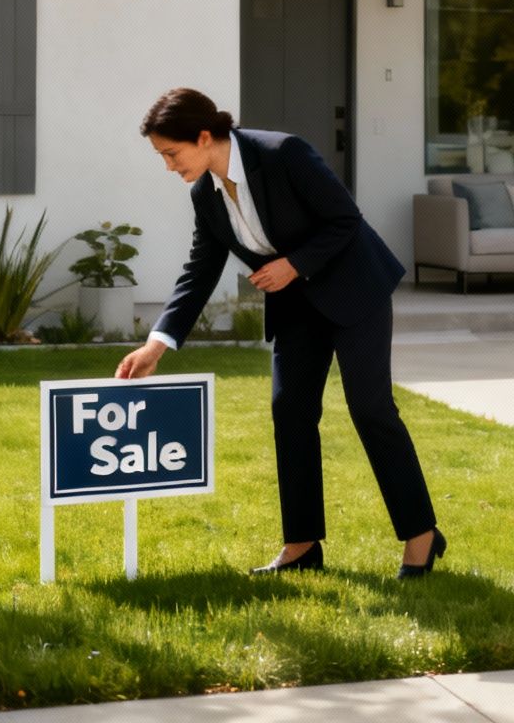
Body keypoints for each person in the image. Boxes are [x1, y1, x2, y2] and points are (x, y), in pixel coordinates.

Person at [114, 88, 446, 579]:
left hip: (355, 289)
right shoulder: (205, 194)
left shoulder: (282, 153)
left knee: (370, 408)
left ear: (204, 137)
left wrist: (293, 265)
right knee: (289, 411)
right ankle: (302, 545)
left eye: (171, 153)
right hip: (296, 306)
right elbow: (200, 271)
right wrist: (157, 344)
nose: (168, 166)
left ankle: (421, 535)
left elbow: (344, 220)